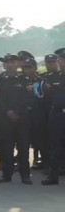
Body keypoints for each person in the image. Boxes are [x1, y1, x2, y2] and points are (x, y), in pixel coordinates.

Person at [0, 53, 33, 184]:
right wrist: (8, 111)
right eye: (8, 62)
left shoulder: (24, 79)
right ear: (5, 64)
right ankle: (6, 174)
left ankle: (25, 175)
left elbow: (28, 98)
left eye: (13, 62)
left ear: (17, 64)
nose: (10, 64)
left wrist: (17, 112)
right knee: (7, 148)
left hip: (22, 118)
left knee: (23, 148)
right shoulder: (0, 79)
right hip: (5, 118)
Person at [42, 48, 65, 185]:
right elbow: (45, 97)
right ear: (59, 61)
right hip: (57, 114)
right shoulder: (52, 77)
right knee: (55, 146)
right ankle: (53, 176)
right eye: (62, 59)